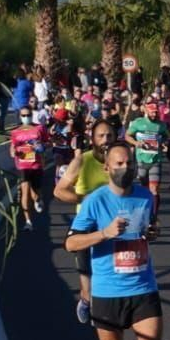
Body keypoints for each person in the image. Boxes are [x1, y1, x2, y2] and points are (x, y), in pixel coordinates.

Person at [64, 144, 170, 340]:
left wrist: (153, 233)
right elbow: (71, 244)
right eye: (120, 163)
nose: (127, 167)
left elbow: (149, 227)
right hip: (108, 290)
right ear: (107, 168)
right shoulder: (95, 202)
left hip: (143, 287)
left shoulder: (145, 196)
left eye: (130, 162)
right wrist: (103, 234)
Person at [54, 119, 116, 324]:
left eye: (109, 135)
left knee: (112, 274)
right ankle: (86, 299)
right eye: (101, 136)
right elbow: (59, 191)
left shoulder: (120, 160)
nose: (106, 140)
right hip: (86, 225)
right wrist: (85, 199)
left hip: (115, 224)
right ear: (93, 139)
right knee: (87, 277)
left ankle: (106, 314)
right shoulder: (83, 161)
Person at [126, 101, 170, 216]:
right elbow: (127, 136)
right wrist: (136, 143)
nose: (154, 115)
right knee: (144, 188)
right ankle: (145, 210)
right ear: (146, 111)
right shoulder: (138, 123)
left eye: (156, 113)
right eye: (152, 113)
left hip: (156, 159)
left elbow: (166, 136)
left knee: (154, 189)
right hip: (141, 159)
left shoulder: (161, 125)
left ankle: (153, 215)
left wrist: (165, 143)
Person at [10, 105, 48, 231]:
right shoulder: (15, 132)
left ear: (32, 115)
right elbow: (12, 147)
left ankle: (38, 199)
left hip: (36, 165)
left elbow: (47, 142)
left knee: (36, 192)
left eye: (28, 115)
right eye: (23, 115)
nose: (26, 117)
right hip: (22, 165)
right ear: (20, 117)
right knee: (24, 192)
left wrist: (39, 147)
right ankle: (28, 222)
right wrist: (14, 153)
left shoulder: (39, 128)